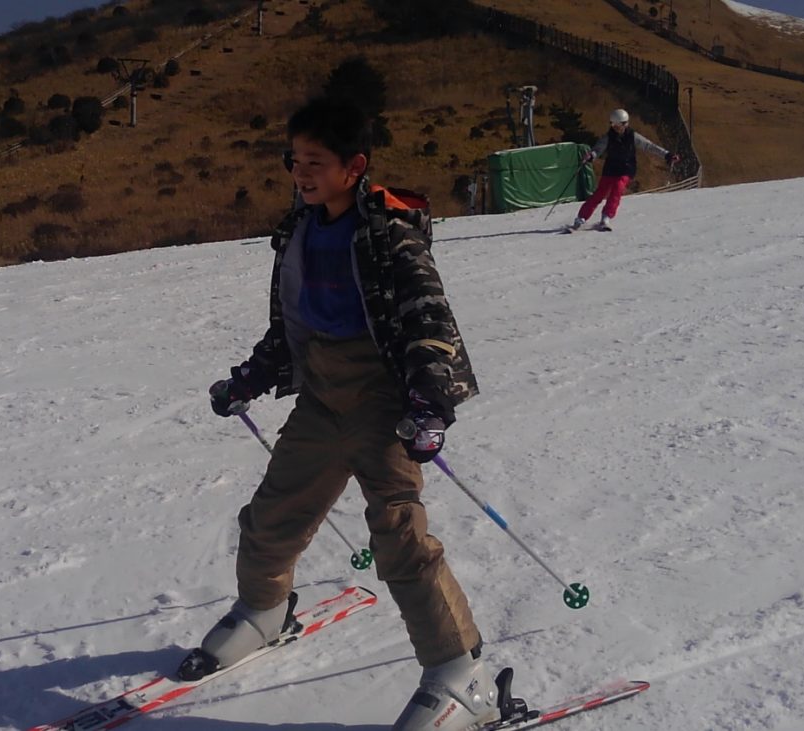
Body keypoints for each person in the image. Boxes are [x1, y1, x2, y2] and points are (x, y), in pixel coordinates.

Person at [190, 96, 498, 731]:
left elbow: (429, 319)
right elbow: (290, 323)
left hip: (382, 400)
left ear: (353, 166)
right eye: (295, 160)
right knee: (271, 515)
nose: (301, 173)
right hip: (320, 396)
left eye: (316, 162)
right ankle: (264, 610)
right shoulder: (299, 230)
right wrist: (251, 377)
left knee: (399, 535)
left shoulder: (388, 232)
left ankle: (460, 674)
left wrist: (430, 401)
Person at [570, 108, 680, 231]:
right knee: (600, 192)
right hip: (611, 168)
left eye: (620, 125)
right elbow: (598, 149)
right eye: (614, 126)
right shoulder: (608, 137)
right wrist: (591, 156)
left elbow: (649, 146)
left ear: (625, 124)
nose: (617, 128)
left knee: (618, 188)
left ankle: (606, 217)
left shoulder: (633, 136)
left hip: (626, 168)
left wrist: (667, 155)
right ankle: (581, 218)